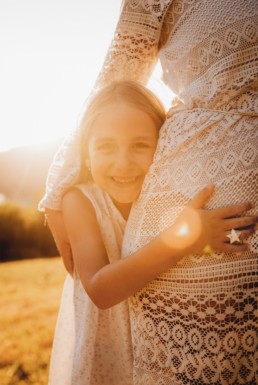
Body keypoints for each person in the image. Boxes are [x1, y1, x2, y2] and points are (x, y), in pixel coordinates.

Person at [41, 1, 258, 384]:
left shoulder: (158, 192)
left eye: (140, 145)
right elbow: (101, 289)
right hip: (107, 357)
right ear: (85, 151)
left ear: (164, 145)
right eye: (106, 146)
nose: (123, 162)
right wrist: (183, 238)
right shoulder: (81, 201)